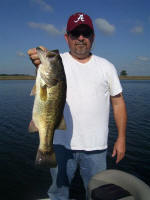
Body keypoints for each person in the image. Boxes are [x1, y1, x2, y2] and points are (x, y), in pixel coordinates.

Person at [28, 12, 127, 200]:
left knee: (98, 194)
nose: (80, 38)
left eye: (86, 33)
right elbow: (42, 65)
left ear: (93, 37)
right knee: (58, 194)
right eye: (75, 33)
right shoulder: (58, 61)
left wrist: (121, 138)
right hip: (59, 144)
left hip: (96, 147)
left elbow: (118, 102)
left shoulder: (106, 67)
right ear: (67, 37)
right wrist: (37, 57)